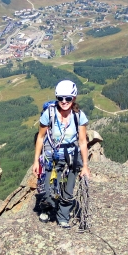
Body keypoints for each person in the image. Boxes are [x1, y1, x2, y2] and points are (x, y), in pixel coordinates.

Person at [32, 80, 91, 228]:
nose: (64, 102)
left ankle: (63, 216)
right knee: (48, 188)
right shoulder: (49, 114)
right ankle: (46, 208)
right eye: (61, 98)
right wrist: (36, 161)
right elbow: (40, 137)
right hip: (51, 156)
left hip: (70, 157)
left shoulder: (79, 116)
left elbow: (83, 141)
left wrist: (85, 166)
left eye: (68, 98)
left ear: (74, 98)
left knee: (68, 190)